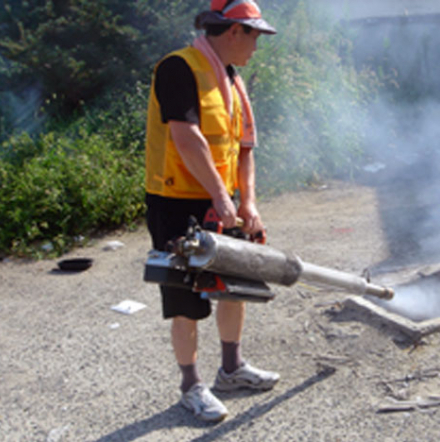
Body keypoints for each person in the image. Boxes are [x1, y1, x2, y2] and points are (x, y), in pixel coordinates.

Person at [144, 0, 278, 423]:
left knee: (234, 285)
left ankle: (232, 369)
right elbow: (187, 138)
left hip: (222, 202)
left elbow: (245, 148)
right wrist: (222, 198)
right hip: (177, 201)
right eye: (255, 35)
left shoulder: (233, 80)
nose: (258, 45)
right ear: (234, 31)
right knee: (185, 298)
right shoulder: (178, 68)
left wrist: (248, 201)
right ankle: (191, 386)